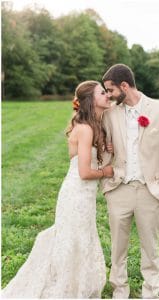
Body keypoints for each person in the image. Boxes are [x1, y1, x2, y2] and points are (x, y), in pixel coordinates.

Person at [2, 80, 114, 299]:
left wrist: (107, 148)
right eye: (103, 92)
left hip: (85, 195)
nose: (107, 95)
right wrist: (106, 172)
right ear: (91, 100)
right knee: (74, 240)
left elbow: (91, 160)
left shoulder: (93, 126)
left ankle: (77, 283)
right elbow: (84, 172)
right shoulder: (84, 129)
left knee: (81, 238)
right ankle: (66, 287)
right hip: (76, 195)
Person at [100, 64, 159, 299]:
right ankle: (119, 291)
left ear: (124, 86)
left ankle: (151, 293)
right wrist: (107, 183)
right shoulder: (109, 114)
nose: (109, 95)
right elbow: (104, 151)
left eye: (110, 90)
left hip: (149, 191)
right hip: (119, 189)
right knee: (117, 248)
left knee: (150, 248)